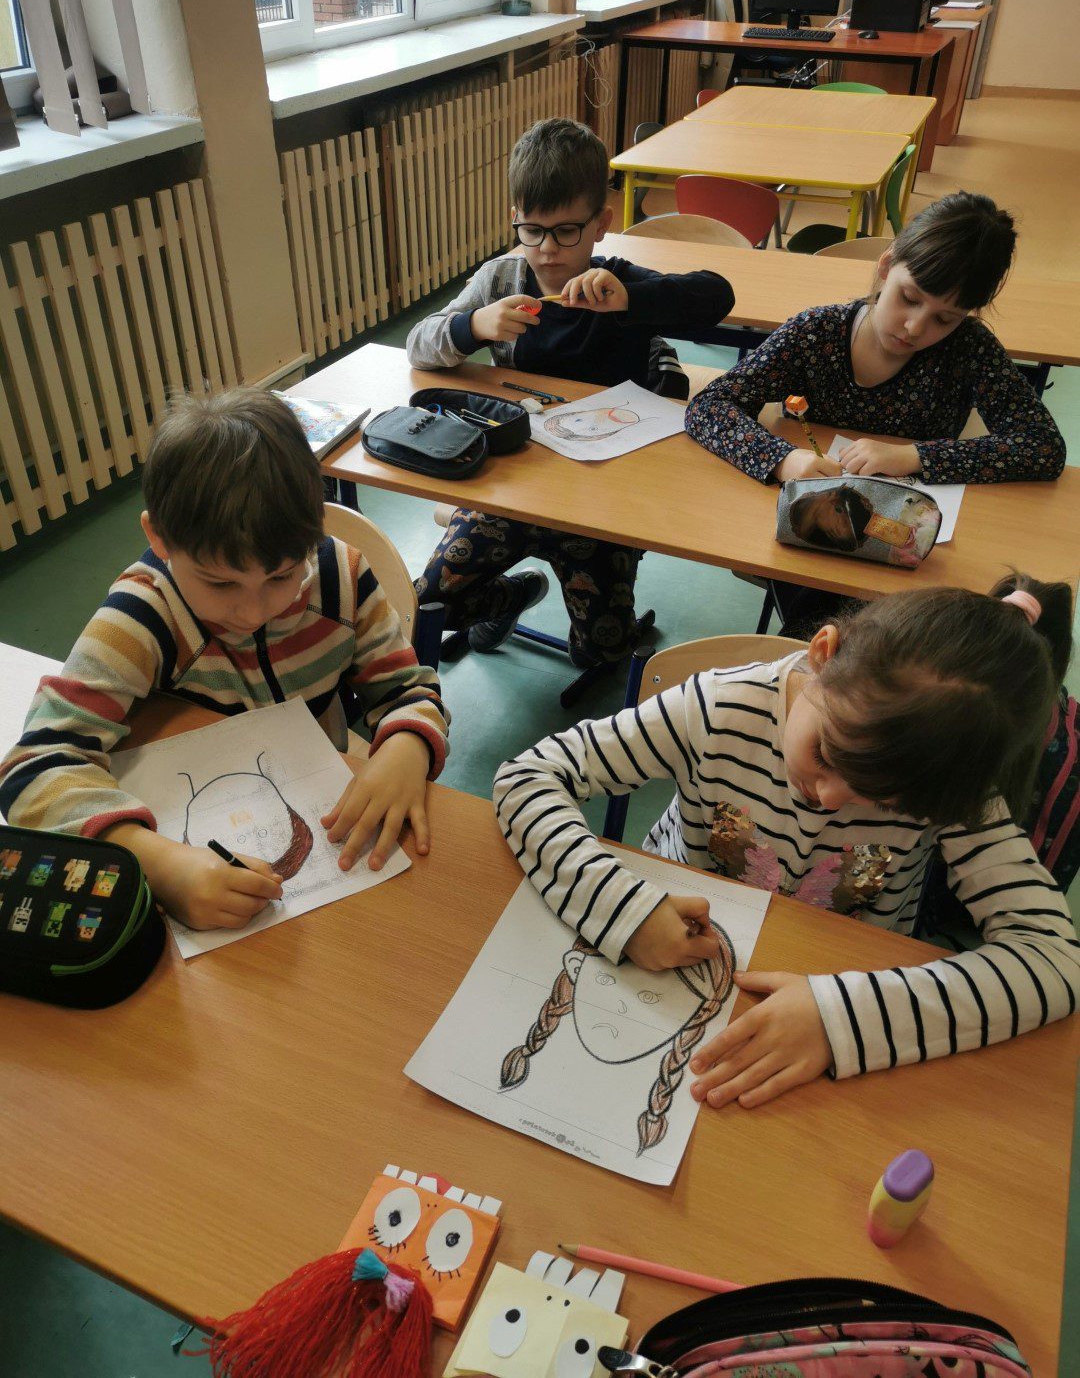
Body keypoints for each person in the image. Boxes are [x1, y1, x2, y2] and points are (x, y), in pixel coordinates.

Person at [492, 574, 1078, 1109]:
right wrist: (623, 911)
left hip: (832, 1000)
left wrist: (842, 1020)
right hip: (669, 956)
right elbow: (528, 777)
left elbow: (1053, 958)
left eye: (886, 799)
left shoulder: (951, 779)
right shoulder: (718, 708)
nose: (829, 798)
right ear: (824, 654)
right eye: (826, 753)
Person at [0, 391, 448, 933]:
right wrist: (156, 862)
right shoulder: (144, 617)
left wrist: (408, 745)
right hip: (199, 840)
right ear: (159, 538)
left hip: (317, 815)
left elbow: (407, 690)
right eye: (220, 583)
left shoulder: (342, 581)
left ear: (313, 529)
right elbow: (35, 765)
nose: (254, 611)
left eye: (282, 575)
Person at [408, 117, 736, 668]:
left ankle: (600, 630)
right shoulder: (501, 280)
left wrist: (631, 299)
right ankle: (513, 596)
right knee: (428, 604)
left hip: (602, 499)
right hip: (515, 484)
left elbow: (716, 296)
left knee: (601, 653)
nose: (547, 249)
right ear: (515, 217)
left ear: (601, 223)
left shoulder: (616, 280)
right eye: (531, 230)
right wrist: (473, 326)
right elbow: (419, 345)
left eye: (566, 231)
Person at [683, 191, 1067, 632]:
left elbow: (1042, 447)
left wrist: (915, 456)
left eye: (945, 319)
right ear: (886, 266)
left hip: (905, 551)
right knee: (834, 623)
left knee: (865, 630)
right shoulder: (817, 332)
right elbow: (709, 406)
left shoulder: (969, 348)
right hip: (813, 540)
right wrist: (784, 459)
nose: (915, 327)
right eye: (909, 298)